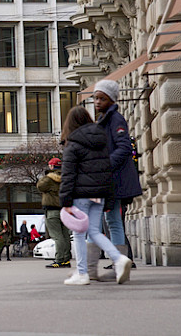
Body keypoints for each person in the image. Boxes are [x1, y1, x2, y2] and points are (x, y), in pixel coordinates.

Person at [59, 105, 132, 286]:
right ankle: (118, 258)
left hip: (80, 194)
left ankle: (82, 273)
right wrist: (108, 196)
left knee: (78, 233)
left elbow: (68, 175)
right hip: (99, 194)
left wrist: (65, 200)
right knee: (94, 231)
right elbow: (107, 170)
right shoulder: (101, 142)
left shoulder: (73, 144)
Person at [93, 79, 141, 267]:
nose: (97, 102)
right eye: (95, 98)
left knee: (112, 220)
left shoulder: (115, 119)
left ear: (111, 100)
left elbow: (124, 148)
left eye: (102, 98)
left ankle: (119, 261)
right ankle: (119, 261)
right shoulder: (105, 119)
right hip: (111, 178)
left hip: (116, 180)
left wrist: (105, 164)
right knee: (110, 220)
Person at [37, 157, 70, 268]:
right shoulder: (66, 175)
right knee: (65, 235)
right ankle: (66, 259)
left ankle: (59, 259)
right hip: (64, 210)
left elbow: (40, 186)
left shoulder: (49, 178)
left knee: (57, 236)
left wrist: (47, 174)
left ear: (51, 166)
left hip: (52, 211)